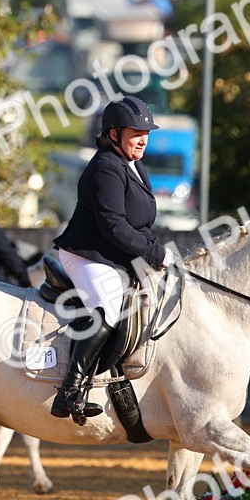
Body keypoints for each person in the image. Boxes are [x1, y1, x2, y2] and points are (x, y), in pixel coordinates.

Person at [50, 95, 175, 423]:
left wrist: (157, 250)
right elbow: (114, 225)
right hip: (88, 254)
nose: (143, 139)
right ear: (114, 134)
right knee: (108, 307)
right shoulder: (106, 166)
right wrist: (154, 253)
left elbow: (140, 223)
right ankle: (70, 392)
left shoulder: (134, 164)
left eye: (146, 133)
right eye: (136, 133)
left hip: (114, 257)